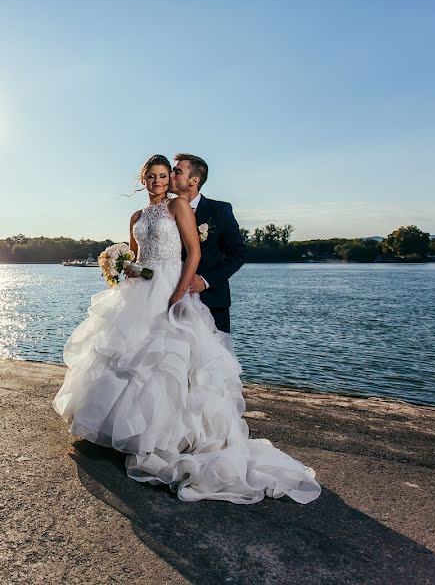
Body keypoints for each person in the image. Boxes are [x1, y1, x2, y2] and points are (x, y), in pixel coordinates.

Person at [52, 154, 321, 504]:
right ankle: (118, 432)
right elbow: (136, 257)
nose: (160, 180)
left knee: (172, 362)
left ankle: (170, 437)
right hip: (141, 291)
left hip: (173, 288)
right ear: (143, 179)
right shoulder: (137, 216)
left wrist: (178, 293)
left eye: (166, 174)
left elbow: (193, 253)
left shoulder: (180, 208)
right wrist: (122, 266)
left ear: (177, 180)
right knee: (129, 357)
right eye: (153, 176)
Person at [170, 153, 244, 333]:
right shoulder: (164, 212)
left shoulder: (219, 210)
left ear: (193, 181)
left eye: (177, 171)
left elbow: (239, 253)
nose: (171, 175)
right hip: (170, 300)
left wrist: (205, 281)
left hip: (211, 303)